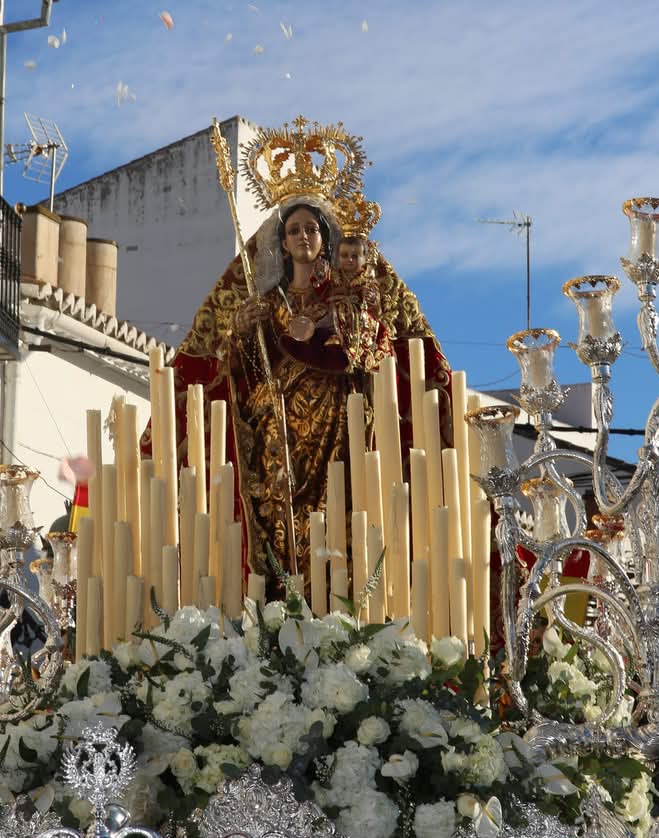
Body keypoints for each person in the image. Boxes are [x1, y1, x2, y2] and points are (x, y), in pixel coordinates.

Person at [143, 119, 452, 591]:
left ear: (327, 237)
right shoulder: (263, 304)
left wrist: (327, 332)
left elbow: (380, 349)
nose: (303, 237)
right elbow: (239, 375)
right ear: (282, 243)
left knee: (343, 515)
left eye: (312, 228)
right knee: (280, 528)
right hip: (276, 431)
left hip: (342, 427)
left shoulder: (352, 298)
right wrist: (246, 332)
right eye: (294, 230)